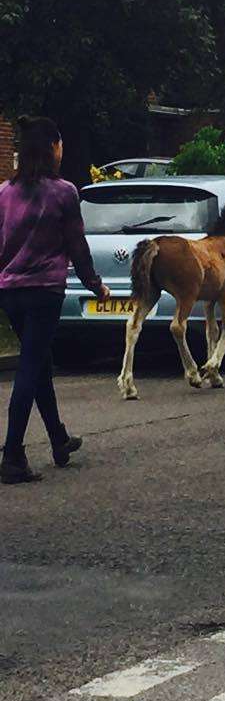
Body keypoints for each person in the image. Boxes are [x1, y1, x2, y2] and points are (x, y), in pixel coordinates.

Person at [0, 116, 109, 485]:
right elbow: (77, 245)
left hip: (10, 292)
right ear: (51, 148)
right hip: (44, 292)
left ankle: (58, 439)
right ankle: (12, 455)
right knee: (30, 368)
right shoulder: (63, 192)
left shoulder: (4, 193)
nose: (63, 150)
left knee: (40, 362)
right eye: (59, 144)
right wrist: (96, 285)